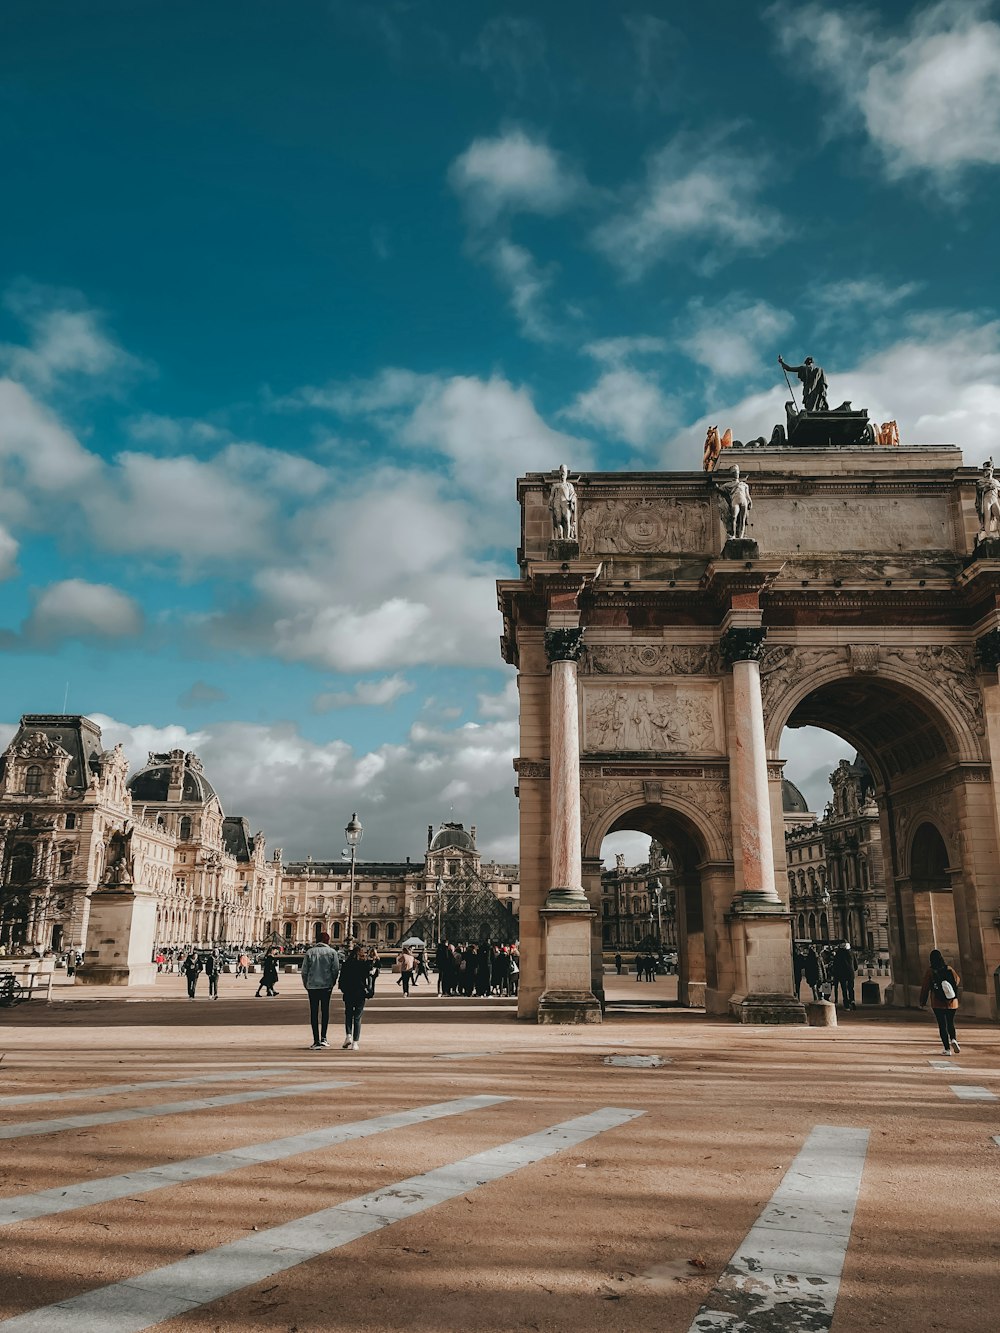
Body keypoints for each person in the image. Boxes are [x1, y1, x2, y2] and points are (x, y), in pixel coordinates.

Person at [301, 931, 340, 1049]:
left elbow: (304, 971)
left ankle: (315, 1040)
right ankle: (324, 1038)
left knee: (314, 1013)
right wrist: (332, 983)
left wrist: (306, 984)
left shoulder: (309, 952)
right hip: (326, 986)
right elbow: (336, 970)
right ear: (327, 941)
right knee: (325, 1012)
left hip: (312, 986)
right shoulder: (332, 952)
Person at [920, 949, 962, 1055]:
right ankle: (953, 1039)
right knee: (950, 1022)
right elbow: (957, 980)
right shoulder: (949, 969)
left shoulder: (930, 971)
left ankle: (947, 1049)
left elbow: (925, 987)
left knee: (942, 1025)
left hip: (937, 1002)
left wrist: (922, 1001)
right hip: (952, 1001)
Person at [338, 942, 371, 1050]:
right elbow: (368, 977)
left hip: (349, 993)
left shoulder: (346, 964)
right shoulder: (364, 964)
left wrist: (344, 990)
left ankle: (348, 1036)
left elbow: (341, 979)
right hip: (360, 993)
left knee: (348, 1015)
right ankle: (355, 1042)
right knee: (357, 1017)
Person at [831, 943, 856, 1010]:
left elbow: (835, 965)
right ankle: (852, 1000)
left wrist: (835, 973)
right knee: (851, 988)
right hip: (850, 973)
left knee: (844, 989)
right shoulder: (852, 953)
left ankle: (846, 1005)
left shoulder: (838, 954)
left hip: (842, 974)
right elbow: (855, 965)